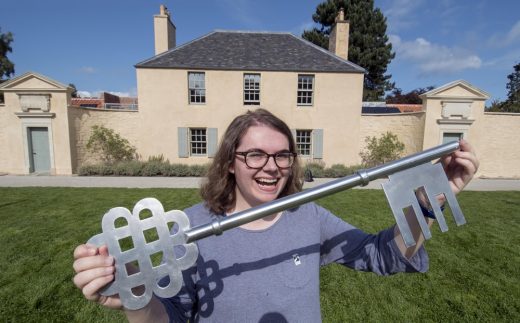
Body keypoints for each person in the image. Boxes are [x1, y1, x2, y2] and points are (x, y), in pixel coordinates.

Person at [73, 108, 479, 322]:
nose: (272, 167)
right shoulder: (189, 230)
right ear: (230, 162)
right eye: (256, 154)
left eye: (282, 154)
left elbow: (381, 255)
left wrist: (432, 200)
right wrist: (135, 300)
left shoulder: (310, 216)